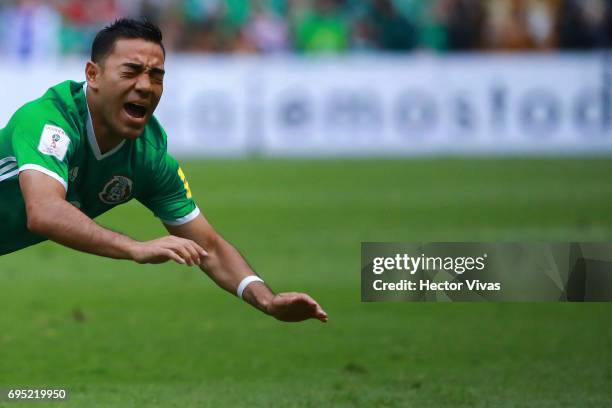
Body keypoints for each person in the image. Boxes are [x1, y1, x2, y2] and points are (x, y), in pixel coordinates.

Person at [0, 18, 328, 324]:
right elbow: (44, 211)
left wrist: (267, 300)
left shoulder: (149, 157)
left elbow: (208, 246)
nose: (145, 85)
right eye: (131, 71)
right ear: (93, 74)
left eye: (156, 75)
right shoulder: (48, 119)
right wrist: (134, 247)